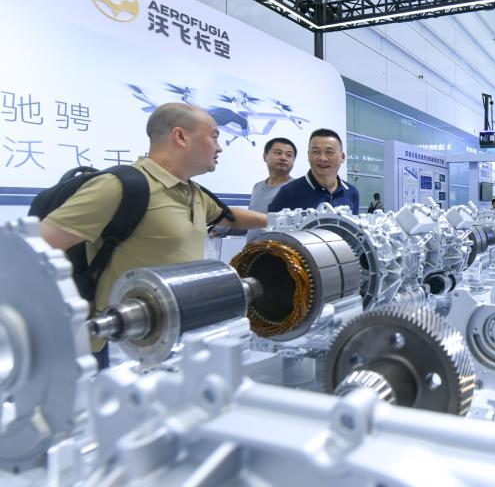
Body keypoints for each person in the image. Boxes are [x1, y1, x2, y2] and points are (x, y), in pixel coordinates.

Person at [40, 102, 267, 365]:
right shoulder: (119, 187)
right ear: (181, 136)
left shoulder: (193, 192)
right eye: (214, 137)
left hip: (176, 338)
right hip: (124, 346)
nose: (220, 147)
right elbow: (38, 248)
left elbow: (228, 216)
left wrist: (281, 221)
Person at [268, 128, 359, 214]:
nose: (322, 158)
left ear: (342, 157)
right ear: (308, 155)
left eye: (329, 152)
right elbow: (273, 224)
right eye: (316, 152)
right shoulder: (288, 192)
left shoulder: (351, 192)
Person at [243, 137, 295, 241]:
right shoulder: (257, 187)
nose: (283, 158)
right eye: (278, 153)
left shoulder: (297, 188)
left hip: (278, 249)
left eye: (289, 155)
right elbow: (251, 223)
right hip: (252, 249)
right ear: (265, 156)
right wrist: (220, 230)